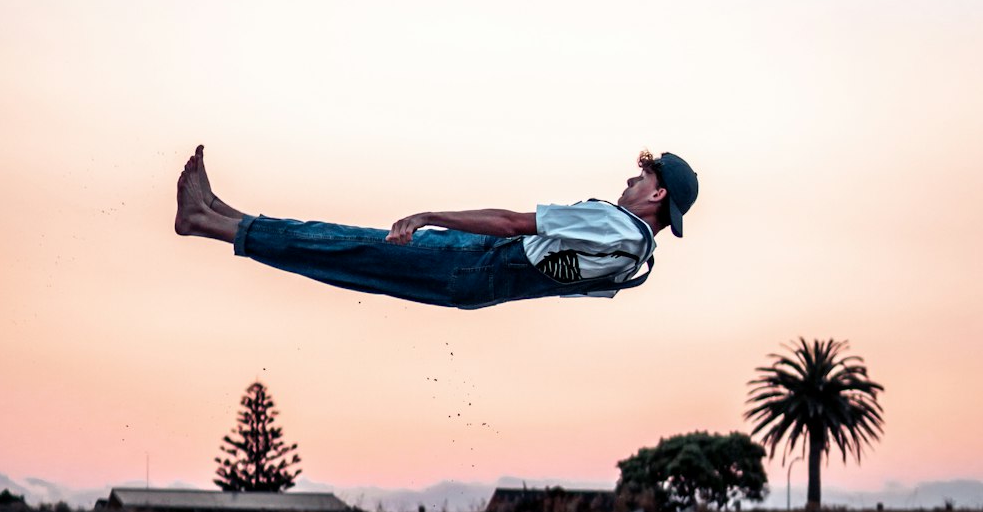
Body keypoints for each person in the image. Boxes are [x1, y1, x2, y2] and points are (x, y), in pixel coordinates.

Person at [174, 145, 698, 310]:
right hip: (482, 282)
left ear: (657, 195)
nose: (630, 179)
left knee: (344, 246)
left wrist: (429, 215)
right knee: (345, 258)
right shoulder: (636, 261)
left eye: (642, 176)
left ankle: (209, 220)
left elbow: (515, 222)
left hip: (478, 258)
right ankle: (220, 216)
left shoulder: (615, 222)